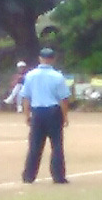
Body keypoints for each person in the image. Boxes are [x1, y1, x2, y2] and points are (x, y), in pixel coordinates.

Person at [20, 48, 71, 184]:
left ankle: (29, 176)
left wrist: (27, 114)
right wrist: (65, 116)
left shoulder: (30, 75)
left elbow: (25, 97)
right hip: (53, 112)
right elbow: (63, 99)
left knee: (35, 146)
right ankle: (58, 176)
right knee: (57, 146)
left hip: (37, 112)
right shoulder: (57, 76)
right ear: (53, 60)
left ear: (40, 58)